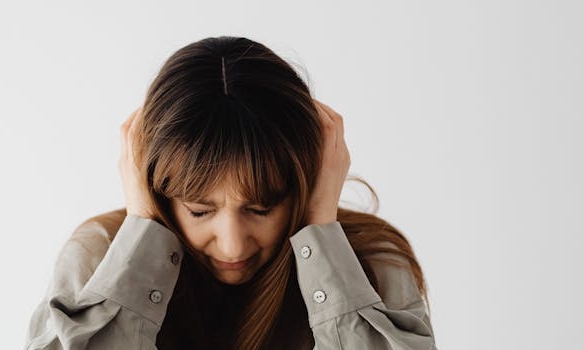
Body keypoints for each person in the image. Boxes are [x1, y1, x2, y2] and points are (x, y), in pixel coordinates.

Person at [23, 36, 437, 350]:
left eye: (261, 207)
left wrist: (321, 230)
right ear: (157, 190)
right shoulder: (98, 256)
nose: (233, 243)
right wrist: (142, 233)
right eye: (201, 211)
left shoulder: (372, 261)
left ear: (303, 184)